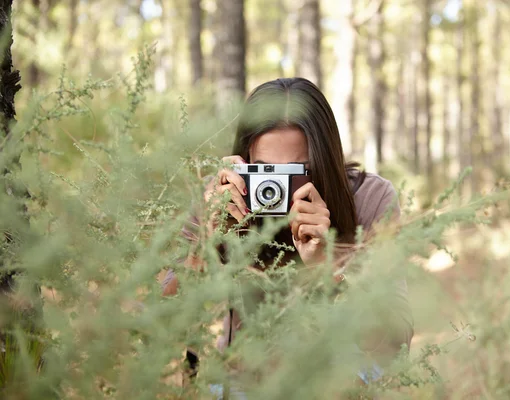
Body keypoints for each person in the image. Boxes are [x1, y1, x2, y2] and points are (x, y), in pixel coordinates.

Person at [161, 77, 413, 390]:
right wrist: (204, 246)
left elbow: (396, 340)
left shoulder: (369, 197)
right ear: (244, 161)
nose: (274, 188)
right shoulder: (221, 196)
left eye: (296, 171)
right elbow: (163, 318)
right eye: (263, 170)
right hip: (245, 379)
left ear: (325, 161)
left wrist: (330, 266)